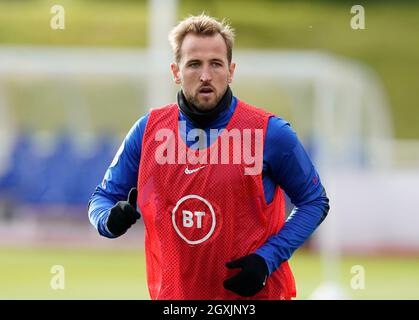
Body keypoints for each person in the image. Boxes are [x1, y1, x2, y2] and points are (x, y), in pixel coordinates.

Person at [88, 14, 329, 300]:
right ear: (176, 71)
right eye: (194, 64)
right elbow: (101, 198)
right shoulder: (147, 131)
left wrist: (267, 259)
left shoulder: (270, 132)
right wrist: (108, 220)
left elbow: (314, 200)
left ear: (231, 70)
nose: (205, 75)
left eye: (216, 64)